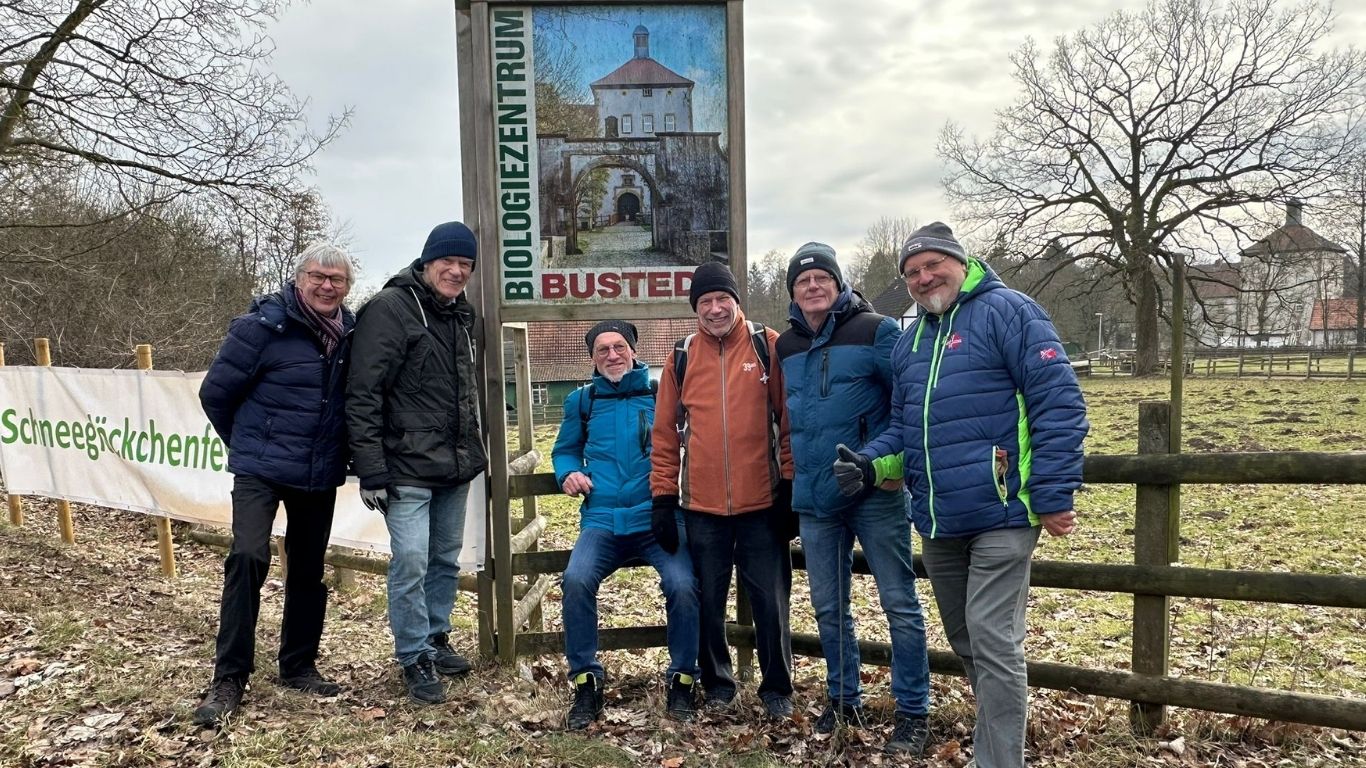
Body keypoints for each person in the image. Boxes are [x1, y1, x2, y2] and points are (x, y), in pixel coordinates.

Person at [835, 222, 1088, 768]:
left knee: (995, 642)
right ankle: (994, 747)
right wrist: (870, 462)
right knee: (967, 640)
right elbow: (904, 429)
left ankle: (999, 762)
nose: (925, 279)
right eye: (912, 273)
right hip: (938, 519)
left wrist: (1053, 489)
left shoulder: (1009, 311)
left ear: (959, 260)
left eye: (933, 265)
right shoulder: (911, 342)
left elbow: (1058, 402)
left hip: (1002, 511)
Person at [775, 242, 932, 754]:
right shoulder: (787, 348)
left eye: (822, 277)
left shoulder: (877, 331)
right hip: (816, 499)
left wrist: (884, 470)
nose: (813, 286)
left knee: (898, 603)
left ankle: (913, 710)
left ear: (840, 283)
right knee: (828, 606)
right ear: (793, 293)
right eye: (803, 281)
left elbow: (907, 407)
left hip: (874, 492)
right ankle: (844, 699)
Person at [193, 243, 357, 726]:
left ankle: (298, 665)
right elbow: (215, 394)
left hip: (317, 472)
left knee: (308, 569)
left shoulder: (351, 335)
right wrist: (249, 446)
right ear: (299, 278)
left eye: (338, 280)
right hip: (260, 471)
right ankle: (229, 679)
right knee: (247, 557)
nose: (327, 286)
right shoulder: (260, 328)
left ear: (348, 287)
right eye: (318, 276)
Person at [347, 221, 488, 705]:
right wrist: (370, 467)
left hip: (454, 463)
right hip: (404, 464)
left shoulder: (463, 316)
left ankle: (435, 636)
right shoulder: (390, 310)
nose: (455, 271)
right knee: (409, 560)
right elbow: (363, 393)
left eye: (465, 264)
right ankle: (413, 655)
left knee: (444, 559)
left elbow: (464, 393)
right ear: (427, 261)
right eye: (447, 261)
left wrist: (471, 450)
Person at [650, 261, 796, 721]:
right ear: (696, 307)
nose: (715, 309)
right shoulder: (681, 355)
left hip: (762, 503)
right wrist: (662, 497)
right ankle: (717, 682)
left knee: (771, 602)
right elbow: (664, 434)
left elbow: (788, 423)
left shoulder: (766, 344)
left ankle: (776, 688)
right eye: (705, 302)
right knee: (708, 602)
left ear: (737, 302)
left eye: (722, 300)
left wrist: (788, 485)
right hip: (702, 506)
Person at [551, 320, 700, 729]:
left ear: (634, 351)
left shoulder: (661, 392)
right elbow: (564, 451)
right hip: (600, 521)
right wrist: (568, 474)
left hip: (658, 519)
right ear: (593, 359)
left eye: (620, 347)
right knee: (576, 581)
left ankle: (683, 679)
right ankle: (586, 682)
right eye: (603, 350)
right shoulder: (582, 402)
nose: (613, 355)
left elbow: (693, 436)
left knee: (684, 585)